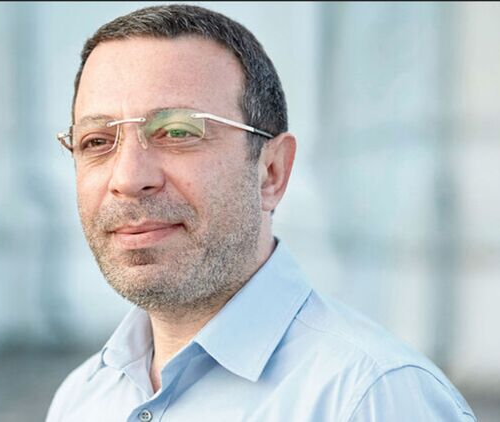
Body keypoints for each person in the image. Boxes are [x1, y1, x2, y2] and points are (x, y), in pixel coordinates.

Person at [46, 4, 476, 421]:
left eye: (177, 132)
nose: (128, 178)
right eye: (96, 141)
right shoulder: (82, 398)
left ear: (271, 172)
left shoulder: (372, 400)